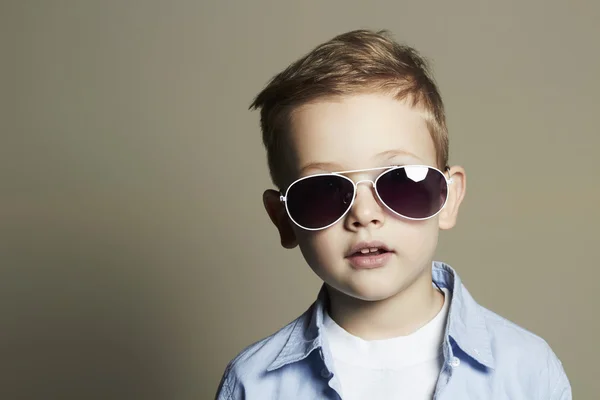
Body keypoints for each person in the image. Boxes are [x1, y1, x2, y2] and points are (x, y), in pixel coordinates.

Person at [214, 29, 571, 399]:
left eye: (400, 182)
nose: (364, 214)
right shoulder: (253, 383)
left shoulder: (526, 371)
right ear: (283, 219)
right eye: (323, 190)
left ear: (448, 198)